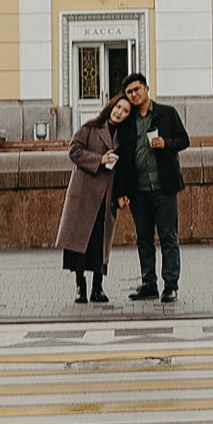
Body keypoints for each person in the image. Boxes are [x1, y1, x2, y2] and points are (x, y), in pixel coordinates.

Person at [113, 72, 190, 303]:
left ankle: (170, 285)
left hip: (164, 187)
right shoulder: (128, 121)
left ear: (147, 88)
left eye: (137, 89)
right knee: (144, 239)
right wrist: (121, 191)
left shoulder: (167, 113)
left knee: (168, 237)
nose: (134, 95)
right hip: (138, 191)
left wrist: (166, 143)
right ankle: (149, 284)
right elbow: (122, 158)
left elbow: (184, 140)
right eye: (129, 92)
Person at [58, 94, 128, 304]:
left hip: (106, 196)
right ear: (111, 106)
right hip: (84, 193)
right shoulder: (91, 127)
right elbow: (74, 151)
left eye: (125, 111)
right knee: (80, 242)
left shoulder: (125, 137)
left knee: (100, 243)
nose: (120, 113)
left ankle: (98, 287)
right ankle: (80, 286)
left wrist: (122, 194)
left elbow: (125, 169)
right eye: (118, 107)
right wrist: (100, 159)